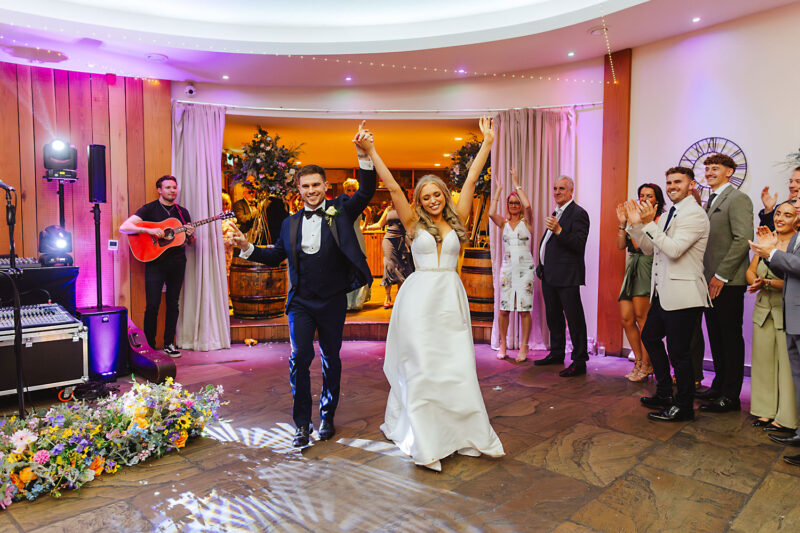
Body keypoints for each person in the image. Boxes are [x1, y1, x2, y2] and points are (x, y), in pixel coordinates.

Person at [368, 117, 504, 471]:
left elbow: (472, 179)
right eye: (425, 196)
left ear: (445, 196)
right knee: (424, 369)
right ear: (419, 201)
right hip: (418, 301)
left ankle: (460, 433)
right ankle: (426, 440)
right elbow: (394, 188)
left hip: (450, 301)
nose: (431, 200)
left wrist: (487, 143)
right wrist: (371, 151)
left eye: (436, 194)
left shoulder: (457, 217)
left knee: (456, 367)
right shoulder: (413, 224)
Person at [229, 122, 377, 447]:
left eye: (316, 185)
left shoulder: (340, 211)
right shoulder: (289, 223)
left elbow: (366, 191)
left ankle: (327, 415)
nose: (311, 191)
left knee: (331, 359)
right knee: (299, 358)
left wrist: (363, 155)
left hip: (333, 300)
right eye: (305, 186)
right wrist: (246, 248)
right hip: (300, 303)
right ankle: (300, 424)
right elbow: (276, 256)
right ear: (299, 189)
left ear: (325, 186)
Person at [626, 167, 710, 422]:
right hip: (663, 294)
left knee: (679, 353)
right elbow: (651, 249)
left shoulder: (695, 215)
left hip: (684, 294)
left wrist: (649, 223)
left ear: (691, 185)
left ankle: (684, 407)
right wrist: (634, 224)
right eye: (669, 182)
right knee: (650, 337)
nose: (672, 186)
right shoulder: (668, 214)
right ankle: (664, 392)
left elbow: (673, 250)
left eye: (678, 182)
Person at [694, 154, 754, 413]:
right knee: (715, 337)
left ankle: (731, 395)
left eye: (715, 168)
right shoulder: (710, 200)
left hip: (727, 282)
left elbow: (743, 239)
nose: (709, 172)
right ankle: (718, 385)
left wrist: (720, 276)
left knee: (729, 337)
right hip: (709, 281)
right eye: (706, 168)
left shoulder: (738, 199)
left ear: (729, 172)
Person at [120, 175, 195, 357]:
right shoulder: (149, 209)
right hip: (154, 263)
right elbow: (125, 227)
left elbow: (190, 242)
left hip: (177, 262)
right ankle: (150, 346)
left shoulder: (182, 212)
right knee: (152, 305)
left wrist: (191, 235)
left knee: (173, 304)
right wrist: (149, 230)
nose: (172, 191)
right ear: (159, 190)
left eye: (174, 187)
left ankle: (169, 343)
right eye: (168, 187)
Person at [749, 201, 800, 467]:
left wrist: (771, 263)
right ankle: (770, 414)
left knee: (791, 374)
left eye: (788, 214)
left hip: (789, 311)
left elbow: (793, 273)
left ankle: (789, 420)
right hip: (773, 310)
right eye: (778, 213)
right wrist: (759, 274)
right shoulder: (776, 240)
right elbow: (755, 269)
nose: (781, 217)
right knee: (771, 367)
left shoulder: (792, 242)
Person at [534, 176, 591, 377]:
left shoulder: (579, 213)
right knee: (554, 316)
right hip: (549, 274)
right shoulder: (557, 211)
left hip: (567, 276)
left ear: (570, 191)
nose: (557, 192)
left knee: (574, 319)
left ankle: (579, 361)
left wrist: (559, 230)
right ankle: (557, 353)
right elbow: (549, 243)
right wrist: (542, 265)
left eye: (561, 188)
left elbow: (578, 244)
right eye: (555, 188)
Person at [615, 183, 665, 382]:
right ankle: (637, 361)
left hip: (646, 265)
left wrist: (636, 223)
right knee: (626, 318)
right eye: (641, 195)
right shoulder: (632, 219)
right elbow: (621, 245)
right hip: (632, 267)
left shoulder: (657, 220)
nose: (644, 198)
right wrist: (622, 223)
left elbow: (642, 246)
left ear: (657, 200)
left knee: (642, 318)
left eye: (649, 195)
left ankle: (647, 363)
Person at [488, 168, 534, 362]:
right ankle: (503, 343)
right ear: (507, 205)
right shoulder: (503, 222)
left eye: (516, 202)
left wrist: (516, 182)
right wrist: (498, 190)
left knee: (524, 309)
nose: (515, 205)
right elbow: (491, 212)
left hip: (525, 270)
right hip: (507, 269)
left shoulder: (528, 222)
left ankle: (524, 346)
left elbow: (528, 204)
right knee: (504, 309)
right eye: (511, 202)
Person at [367, 203, 414, 308]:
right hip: (389, 239)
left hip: (402, 239)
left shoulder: (408, 208)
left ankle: (399, 296)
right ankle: (387, 297)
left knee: (402, 266)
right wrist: (366, 227)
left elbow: (412, 225)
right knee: (389, 265)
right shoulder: (388, 209)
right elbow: (379, 224)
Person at [341, 178, 372, 311]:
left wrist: (364, 226)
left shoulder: (359, 203)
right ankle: (347, 301)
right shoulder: (341, 202)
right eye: (349, 190)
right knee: (346, 266)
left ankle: (358, 301)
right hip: (345, 238)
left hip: (357, 236)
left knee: (359, 265)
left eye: (354, 190)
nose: (352, 193)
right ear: (344, 190)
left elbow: (368, 213)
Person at [758, 167, 800, 231]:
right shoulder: (781, 208)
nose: (791, 185)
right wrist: (769, 209)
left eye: (798, 182)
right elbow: (767, 235)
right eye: (791, 181)